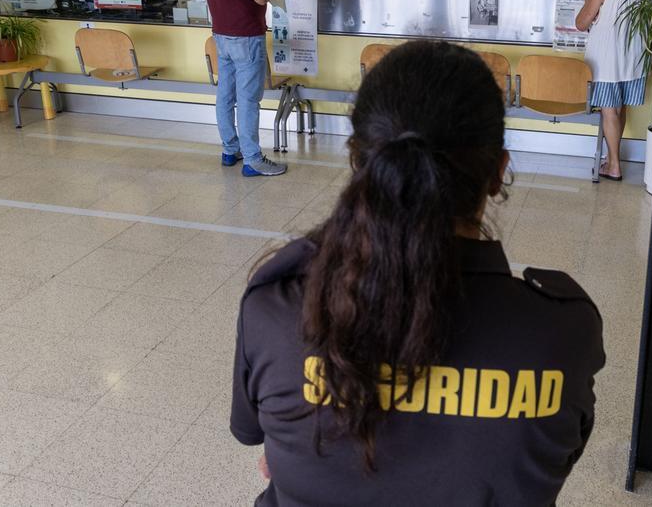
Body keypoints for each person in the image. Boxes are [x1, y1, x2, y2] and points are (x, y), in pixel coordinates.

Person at [230, 41, 605, 505]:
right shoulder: (561, 331)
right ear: (497, 173)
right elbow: (554, 458)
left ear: (357, 163)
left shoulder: (277, 310)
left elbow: (255, 436)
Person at [195, 0, 287, 177]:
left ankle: (229, 149)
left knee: (225, 94)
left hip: (220, 32)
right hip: (247, 34)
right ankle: (252, 159)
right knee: (248, 98)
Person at [575, 0, 649, 181]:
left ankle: (614, 165)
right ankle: (611, 157)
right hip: (633, 57)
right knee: (620, 107)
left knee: (609, 111)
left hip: (607, 58)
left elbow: (581, 22)